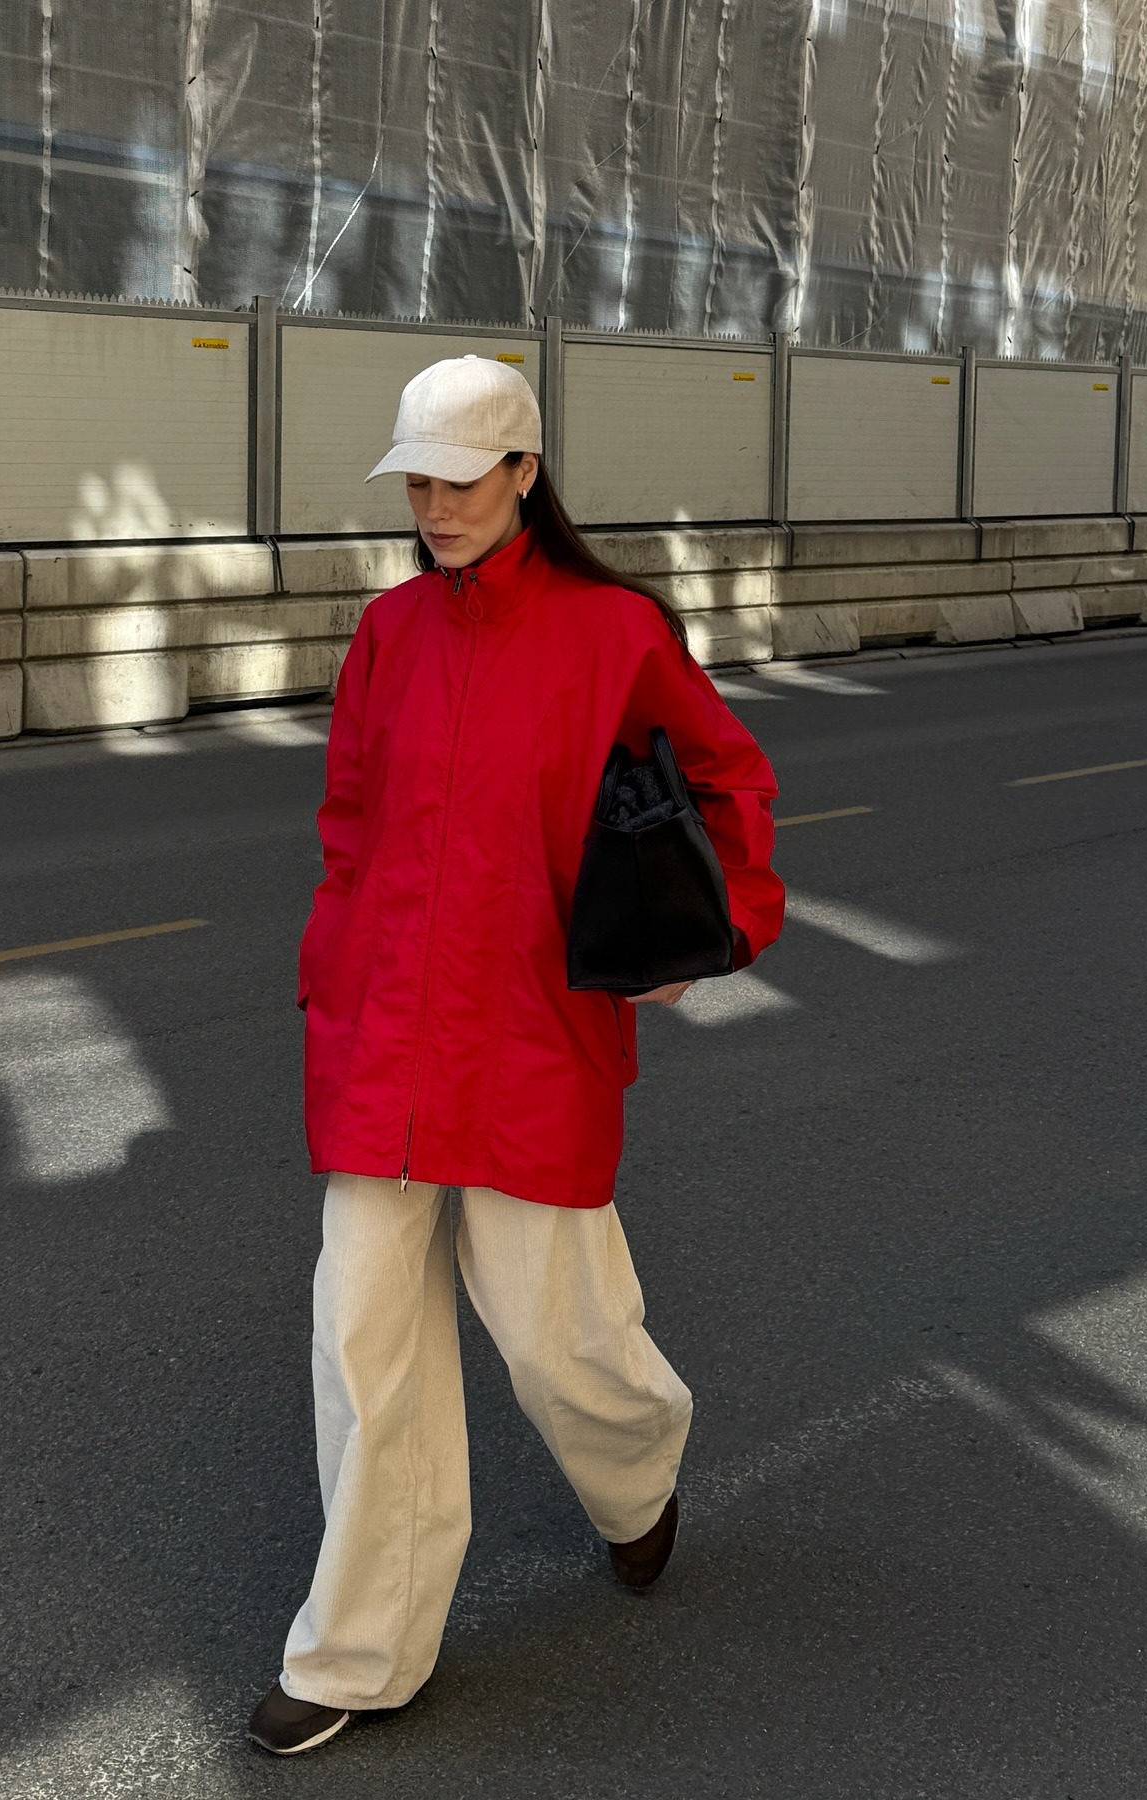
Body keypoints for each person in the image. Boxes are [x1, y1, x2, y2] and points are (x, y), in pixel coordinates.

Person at [249, 355, 784, 1756]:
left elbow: (726, 774)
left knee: (563, 1338)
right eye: (415, 478)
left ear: (525, 474)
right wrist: (334, 968)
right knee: (363, 1342)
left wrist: (713, 932)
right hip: (383, 1043)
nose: (433, 503)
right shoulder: (388, 633)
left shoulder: (613, 634)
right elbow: (350, 824)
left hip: (533, 1037)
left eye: (459, 475)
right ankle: (358, 1652)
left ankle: (637, 1480)